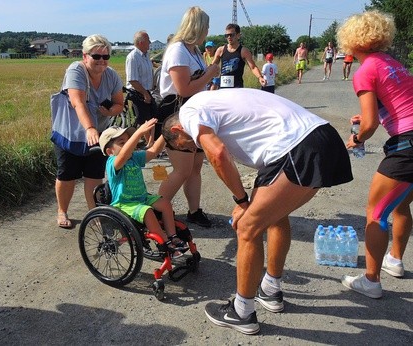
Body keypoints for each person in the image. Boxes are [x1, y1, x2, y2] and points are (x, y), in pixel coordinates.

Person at [161, 88, 353, 334]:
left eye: (188, 146)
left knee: (247, 228)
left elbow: (218, 153)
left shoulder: (190, 113)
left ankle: (242, 312)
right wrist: (248, 200)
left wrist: (242, 202)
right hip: (322, 137)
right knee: (275, 216)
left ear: (177, 130)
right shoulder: (213, 101)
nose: (194, 148)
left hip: (296, 146)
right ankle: (271, 290)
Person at [338, 10, 413, 299]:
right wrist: (377, 113)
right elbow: (398, 102)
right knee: (401, 205)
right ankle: (394, 260)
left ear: (352, 41)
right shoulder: (394, 63)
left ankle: (371, 280)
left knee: (376, 213)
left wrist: (357, 138)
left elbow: (368, 126)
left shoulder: (365, 70)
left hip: (406, 147)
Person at [156, 6, 220, 228]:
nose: (208, 31)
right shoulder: (178, 50)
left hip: (193, 112)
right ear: (199, 27)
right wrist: (211, 73)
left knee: (194, 167)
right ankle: (155, 212)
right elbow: (183, 88)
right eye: (207, 26)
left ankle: (194, 211)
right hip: (177, 113)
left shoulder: (192, 50)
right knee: (183, 169)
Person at [55, 34, 124, 229]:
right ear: (85, 56)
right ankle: (62, 210)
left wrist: (110, 111)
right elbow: (77, 102)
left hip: (98, 133)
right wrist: (89, 127)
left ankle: (95, 212)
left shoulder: (111, 75)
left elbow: (120, 104)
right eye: (96, 56)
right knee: (67, 175)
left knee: (94, 175)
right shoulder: (76, 70)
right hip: (70, 132)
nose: (102, 61)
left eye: (106, 56)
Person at [99, 120, 188, 258]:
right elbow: (122, 156)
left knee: (165, 204)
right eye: (123, 143)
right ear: (110, 151)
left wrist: (166, 133)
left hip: (142, 198)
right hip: (124, 204)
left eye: (128, 141)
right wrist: (139, 133)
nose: (130, 144)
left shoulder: (134, 157)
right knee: (147, 212)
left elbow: (153, 151)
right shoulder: (112, 162)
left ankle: (172, 236)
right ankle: (164, 244)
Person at [212, 23, 266, 89]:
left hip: (237, 89)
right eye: (227, 35)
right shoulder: (221, 50)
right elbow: (213, 66)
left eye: (231, 35)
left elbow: (253, 67)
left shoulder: (244, 51)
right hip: (223, 88)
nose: (229, 37)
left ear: (238, 35)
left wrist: (260, 77)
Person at [126, 30, 155, 147]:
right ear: (141, 42)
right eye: (148, 41)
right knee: (144, 120)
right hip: (137, 92)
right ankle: (149, 144)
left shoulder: (146, 55)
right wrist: (145, 94)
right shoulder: (133, 57)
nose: (150, 43)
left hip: (147, 90)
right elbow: (133, 80)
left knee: (153, 116)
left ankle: (151, 142)